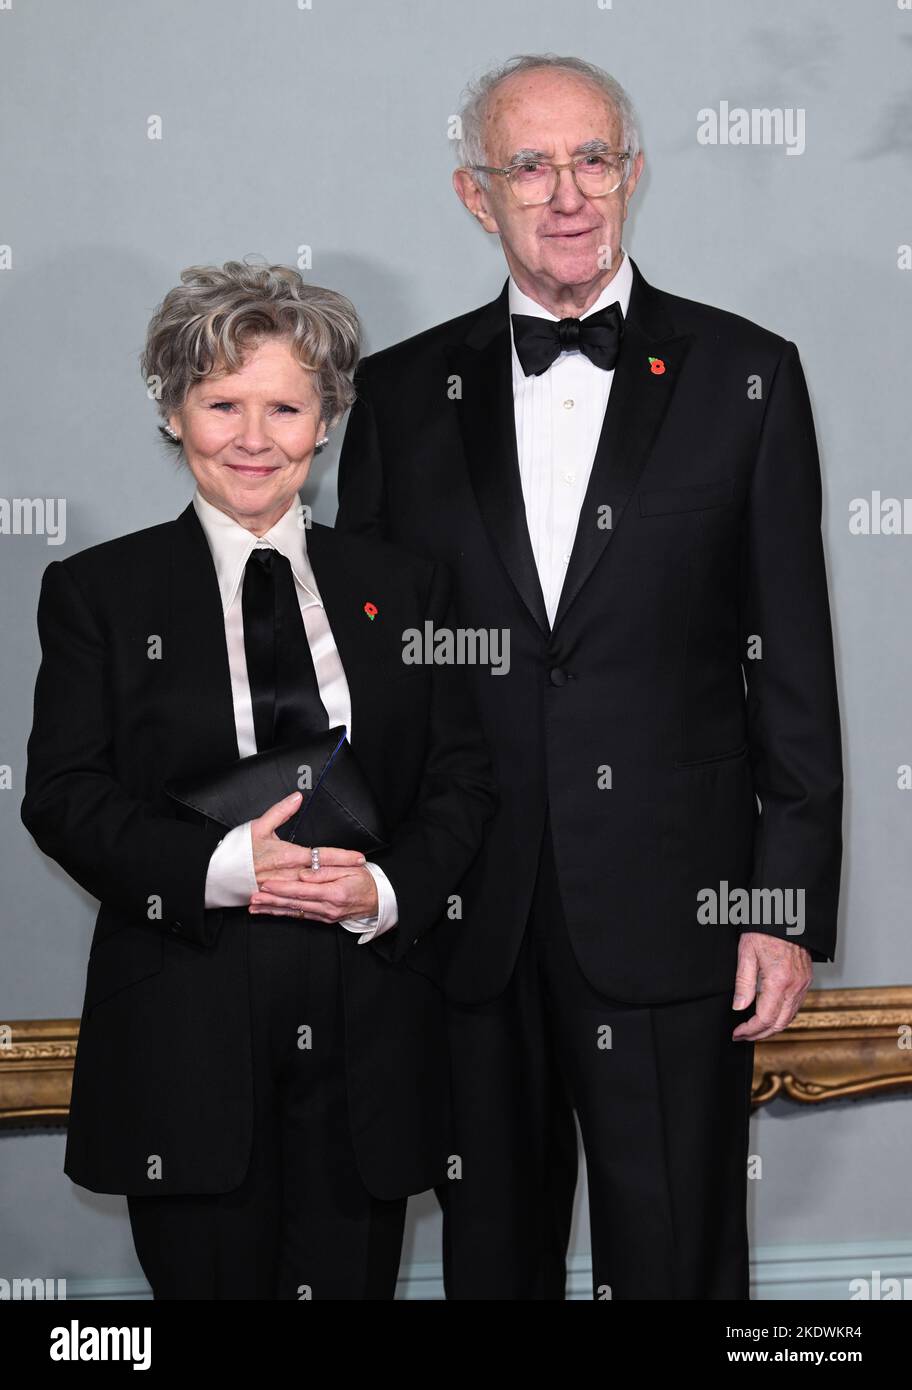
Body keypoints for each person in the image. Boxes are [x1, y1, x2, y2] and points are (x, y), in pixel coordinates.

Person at [337, 55, 843, 1299]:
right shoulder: (402, 394)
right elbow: (380, 677)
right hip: (467, 908)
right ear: (474, 193)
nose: (568, 194)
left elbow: (793, 659)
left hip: (682, 907)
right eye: (530, 165)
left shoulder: (748, 373)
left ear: (630, 170)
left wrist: (782, 902)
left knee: (677, 1261)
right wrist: (379, 883)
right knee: (491, 1265)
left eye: (593, 159)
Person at [20, 259, 496, 1300]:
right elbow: (61, 792)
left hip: (367, 1012)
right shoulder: (99, 591)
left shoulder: (407, 586)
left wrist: (387, 887)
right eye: (220, 402)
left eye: (284, 406)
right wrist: (226, 863)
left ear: (325, 421)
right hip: (187, 1014)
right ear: (174, 412)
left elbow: (462, 778)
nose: (252, 435)